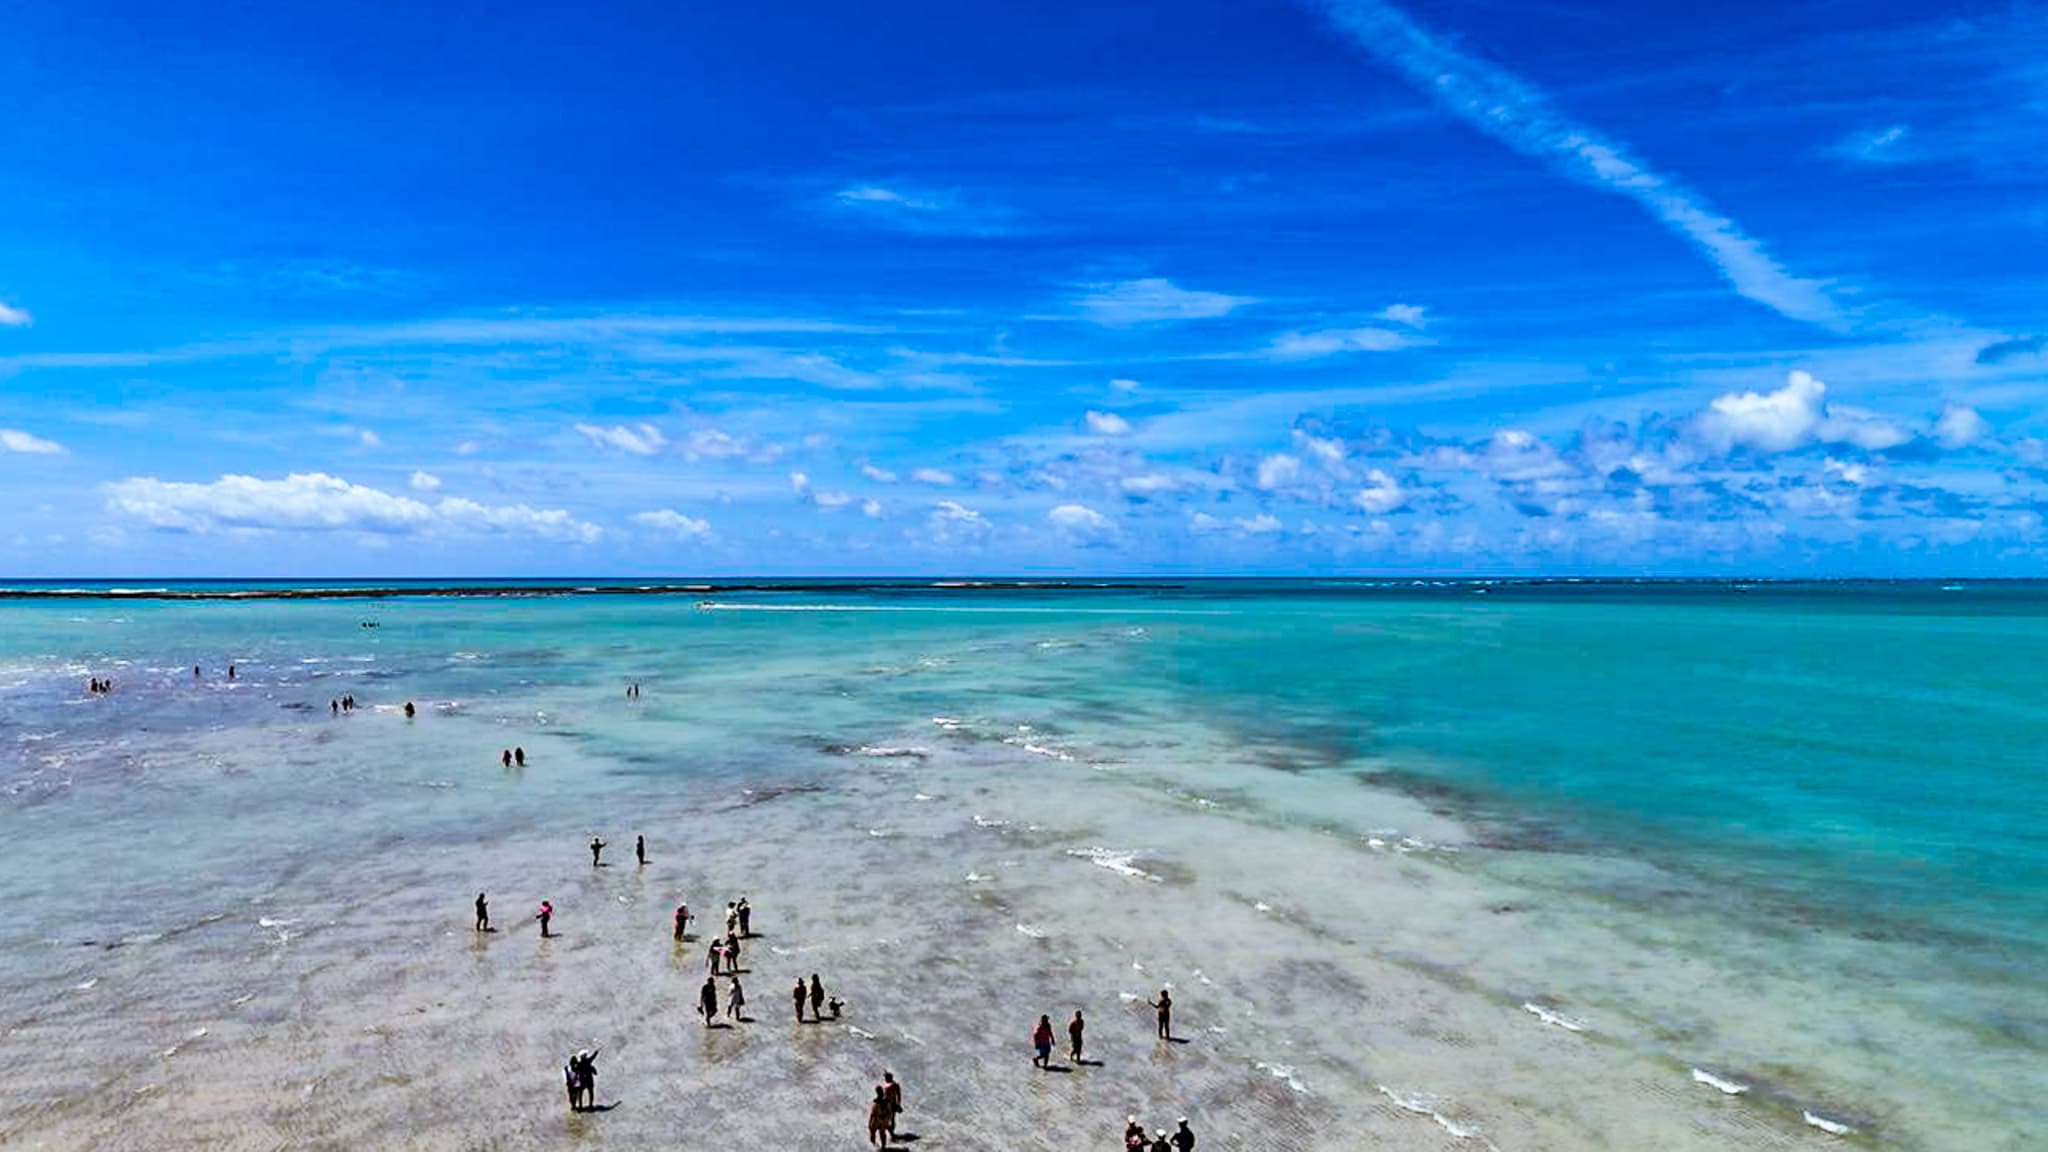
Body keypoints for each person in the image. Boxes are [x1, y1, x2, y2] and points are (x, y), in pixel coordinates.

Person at [880, 1071, 902, 1139]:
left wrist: (898, 1104)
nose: (885, 1078)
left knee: (892, 1119)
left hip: (892, 1104)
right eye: (885, 1077)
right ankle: (891, 1133)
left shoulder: (895, 1085)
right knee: (885, 1119)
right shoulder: (885, 1084)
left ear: (890, 1077)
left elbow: (899, 1095)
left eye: (886, 1077)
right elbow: (883, 1095)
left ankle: (892, 1134)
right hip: (885, 1104)